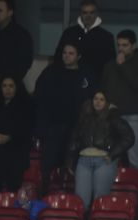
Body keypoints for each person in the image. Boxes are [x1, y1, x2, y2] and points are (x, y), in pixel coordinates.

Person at [34, 43, 98, 193]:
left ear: (79, 56)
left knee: (73, 167)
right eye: (64, 53)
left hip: (77, 130)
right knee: (48, 166)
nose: (66, 56)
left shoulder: (87, 75)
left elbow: (95, 102)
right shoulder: (50, 73)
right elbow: (40, 100)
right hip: (53, 128)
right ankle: (45, 196)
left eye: (71, 53)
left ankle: (72, 201)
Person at [69, 91, 135, 207]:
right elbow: (75, 140)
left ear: (107, 102)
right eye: (95, 98)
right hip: (83, 160)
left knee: (100, 201)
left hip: (103, 161)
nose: (98, 102)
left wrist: (112, 154)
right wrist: (70, 161)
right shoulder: (84, 117)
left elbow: (129, 137)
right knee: (81, 201)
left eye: (101, 99)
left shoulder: (113, 117)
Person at [101, 30, 138, 170]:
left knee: (134, 157)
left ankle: (136, 188)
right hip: (112, 115)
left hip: (133, 114)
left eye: (125, 45)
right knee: (110, 156)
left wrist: (123, 66)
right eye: (119, 45)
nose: (121, 48)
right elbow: (103, 88)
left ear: (133, 45)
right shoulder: (110, 64)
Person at [58, 1, 115, 72]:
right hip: (71, 78)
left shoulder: (106, 37)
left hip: (96, 80)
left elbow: (110, 64)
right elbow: (58, 58)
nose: (88, 16)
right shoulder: (69, 33)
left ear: (96, 14)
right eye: (85, 13)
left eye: (91, 13)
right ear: (80, 14)